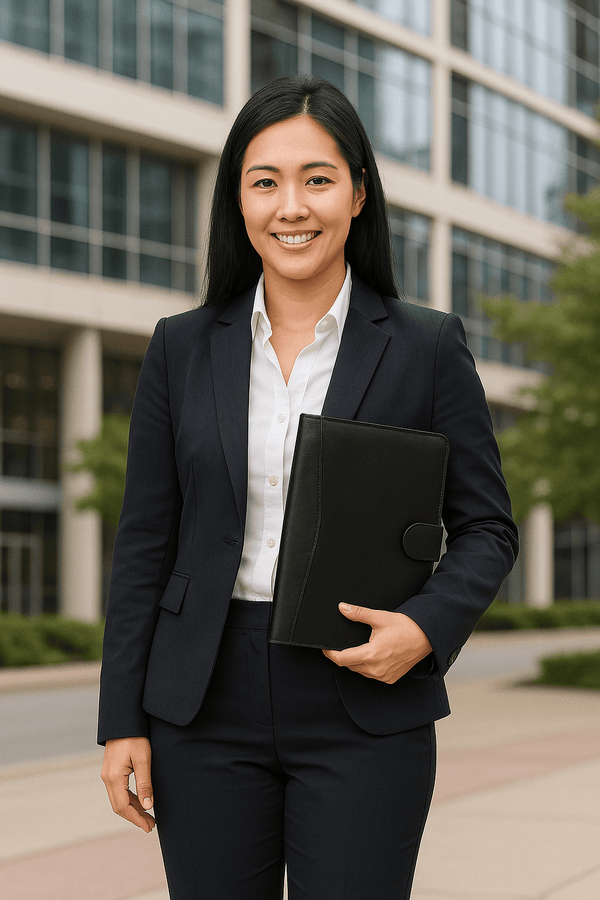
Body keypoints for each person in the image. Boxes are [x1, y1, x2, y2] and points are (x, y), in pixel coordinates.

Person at [99, 75, 518, 899]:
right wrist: (122, 722)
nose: (292, 207)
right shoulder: (180, 349)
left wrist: (424, 630)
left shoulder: (427, 346)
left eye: (318, 179)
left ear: (358, 194)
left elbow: (488, 528)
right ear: (239, 201)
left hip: (366, 699)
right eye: (266, 182)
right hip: (201, 706)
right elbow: (145, 543)